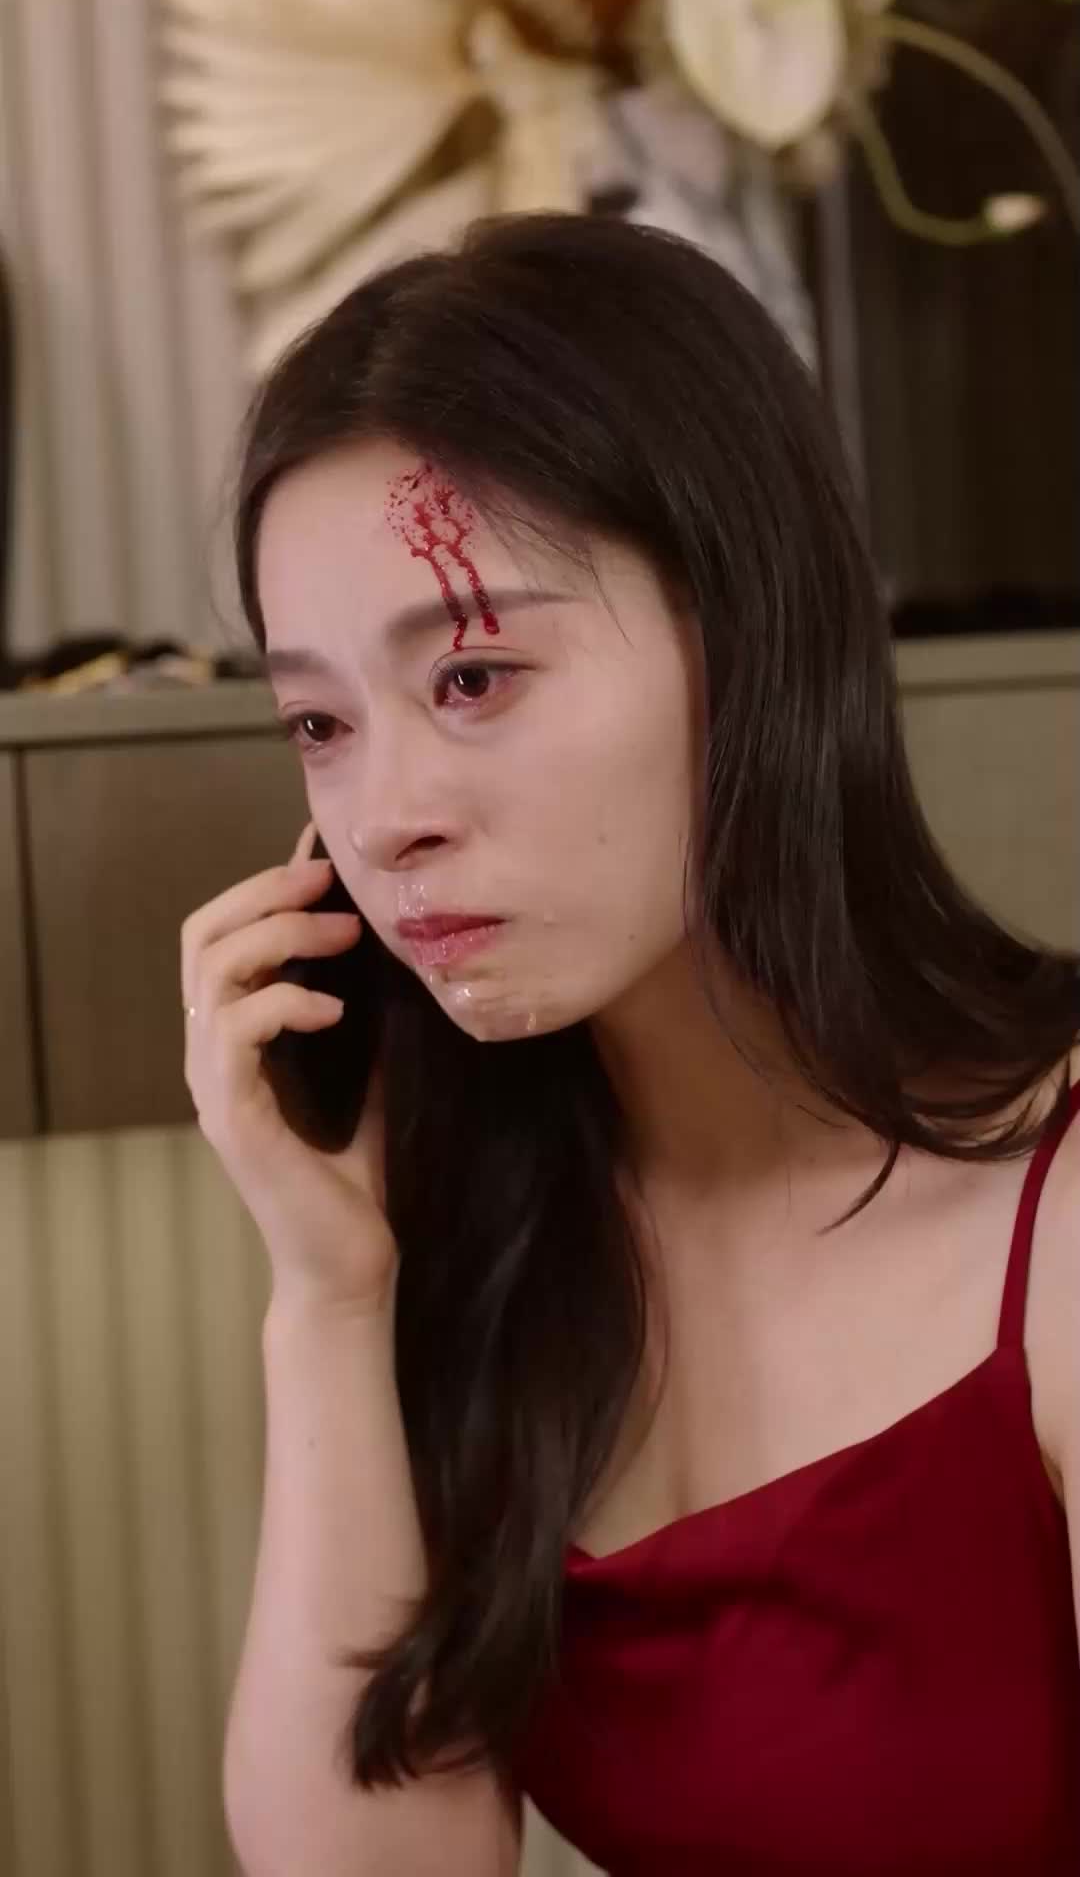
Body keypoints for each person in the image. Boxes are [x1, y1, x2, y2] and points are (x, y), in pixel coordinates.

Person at [180, 211, 1080, 1877]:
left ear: (748, 640)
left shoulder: (1063, 1207)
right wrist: (328, 1300)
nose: (384, 818)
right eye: (318, 721)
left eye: (473, 678)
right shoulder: (483, 1221)